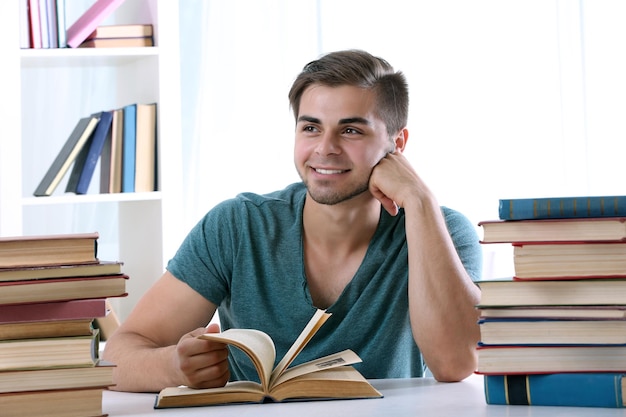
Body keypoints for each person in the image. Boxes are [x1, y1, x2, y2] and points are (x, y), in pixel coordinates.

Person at [103, 49, 482, 393]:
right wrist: (174, 366)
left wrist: (419, 200)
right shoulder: (238, 226)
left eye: (350, 130)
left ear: (397, 145)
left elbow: (455, 364)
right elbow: (117, 357)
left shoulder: (440, 229)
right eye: (311, 127)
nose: (325, 148)